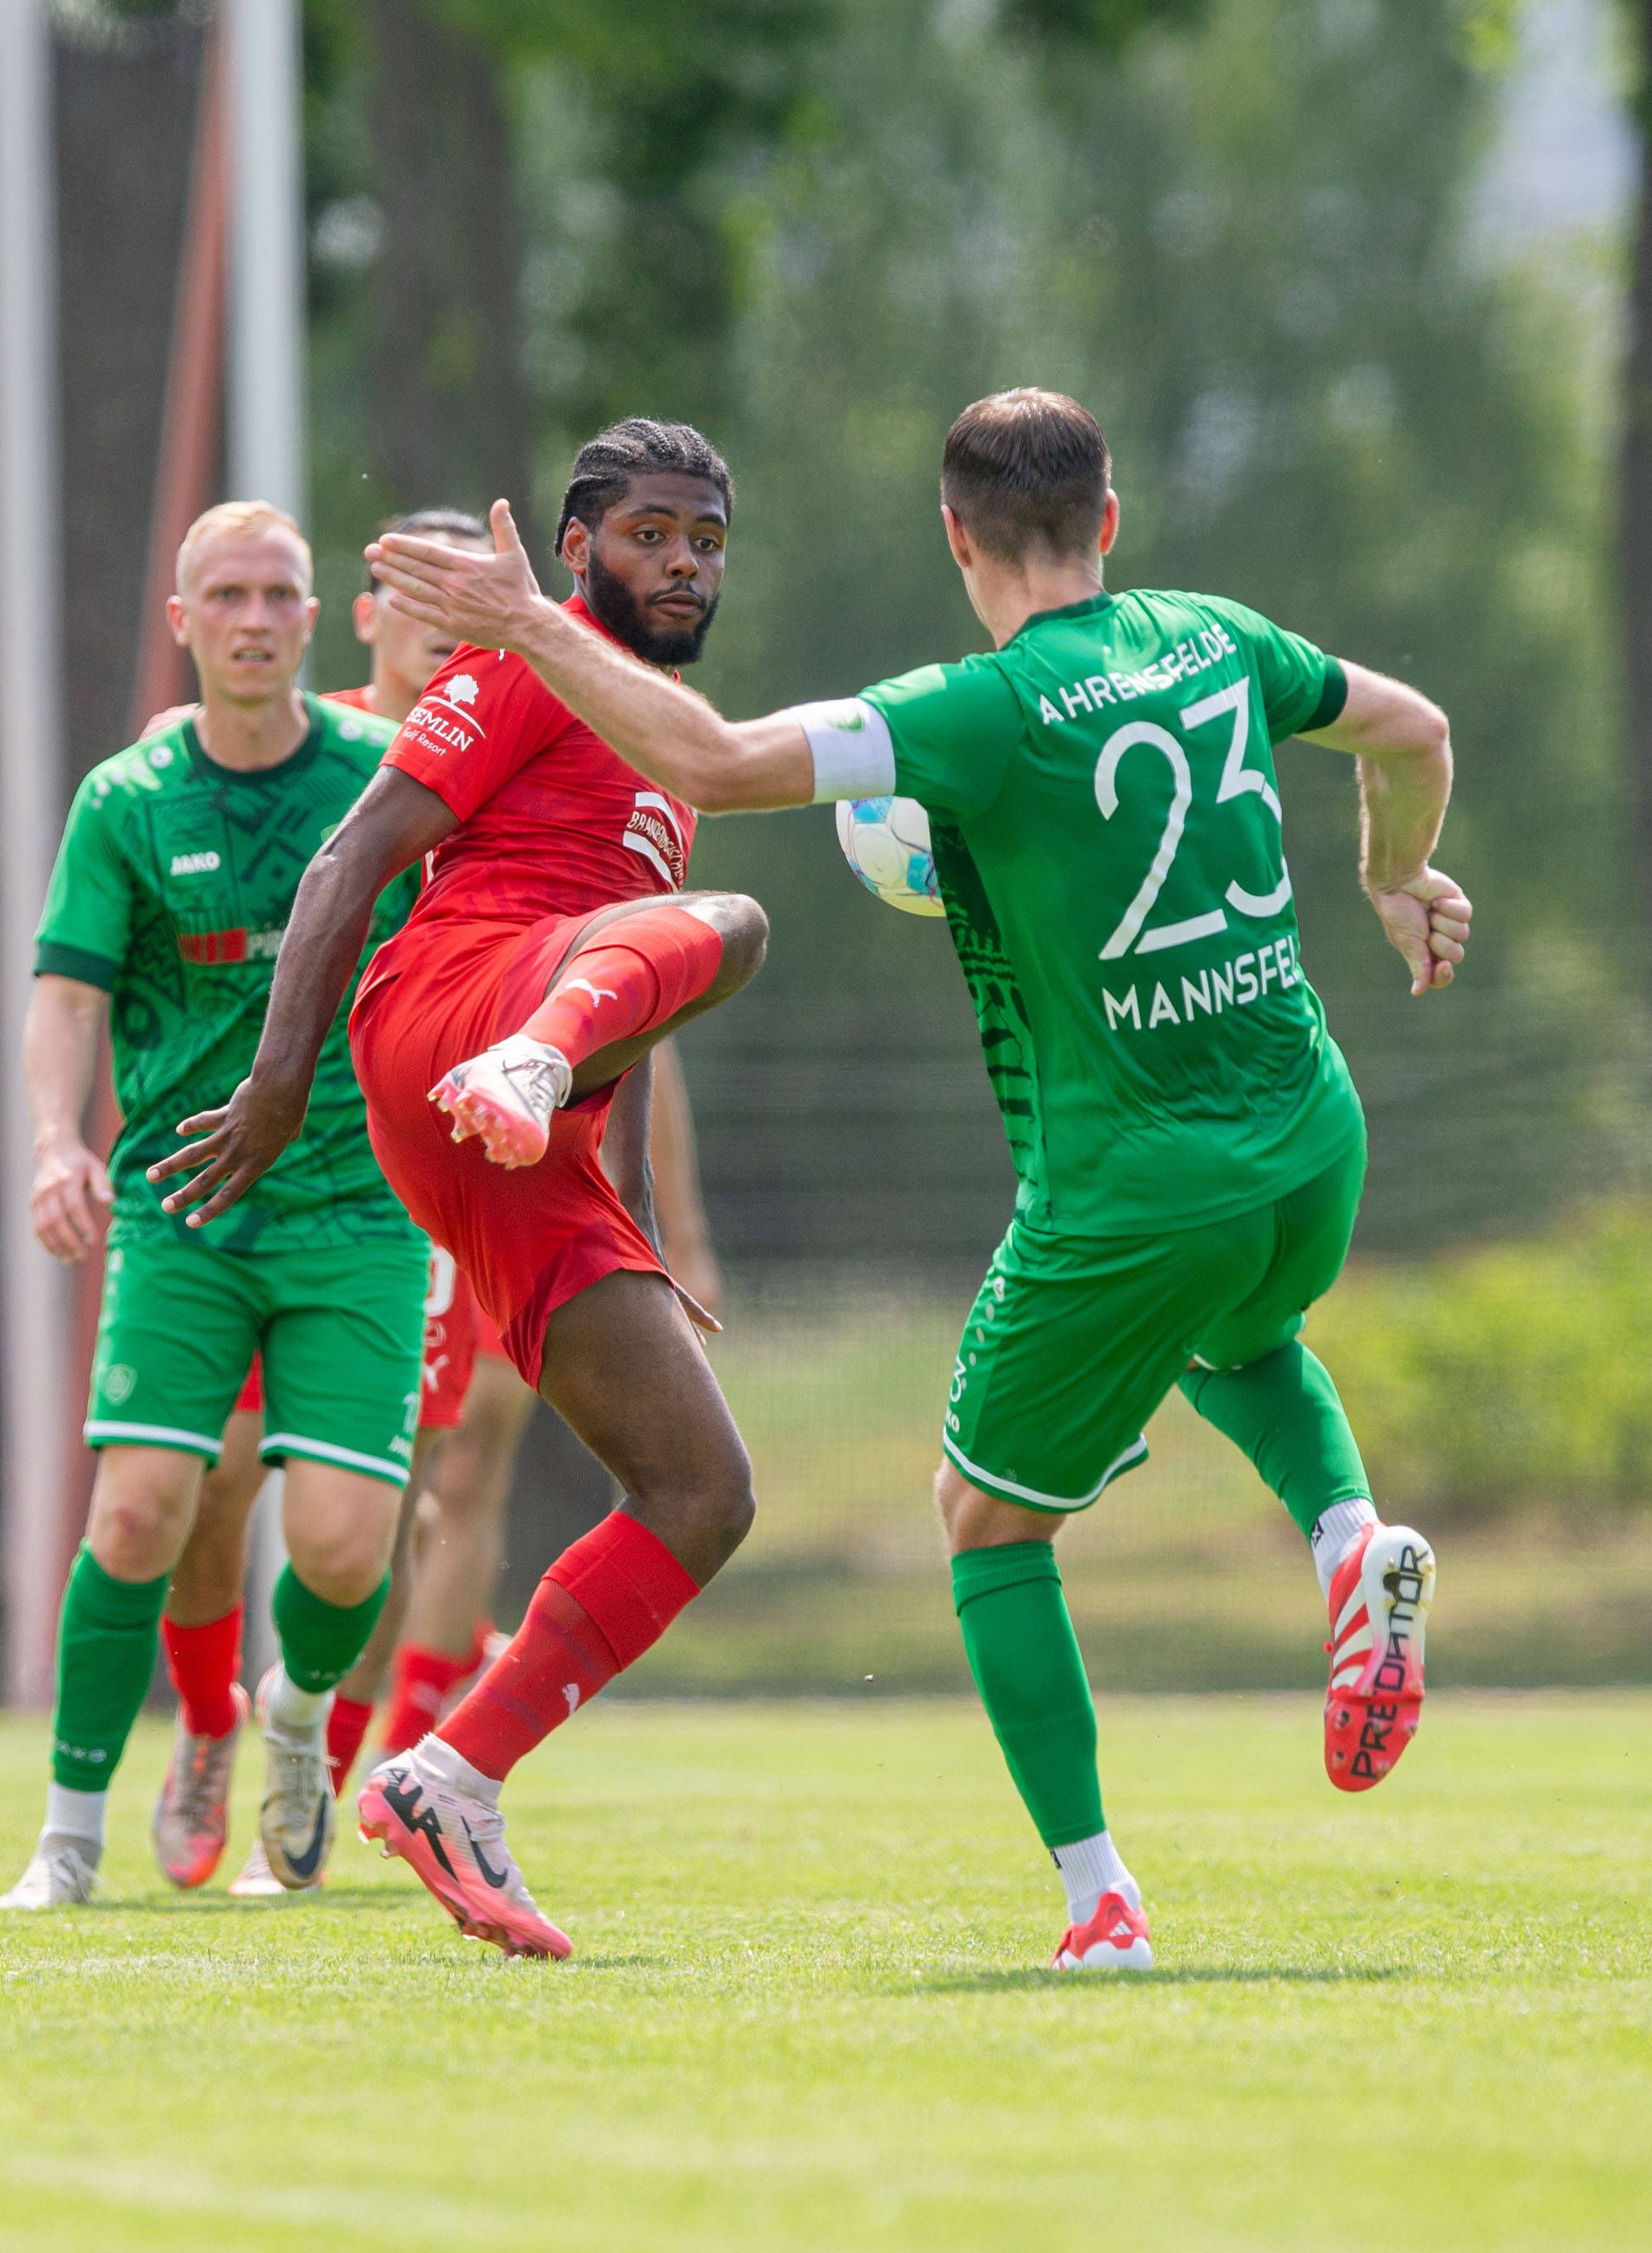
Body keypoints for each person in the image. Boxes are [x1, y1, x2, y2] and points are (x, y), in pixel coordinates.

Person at [363, 388, 1467, 1973]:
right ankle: (1347, 1537)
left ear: (955, 537)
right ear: (1108, 518)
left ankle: (1099, 1902)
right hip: (1310, 1145)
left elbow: (713, 761)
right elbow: (1414, 730)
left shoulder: (975, 710)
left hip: (1132, 1194)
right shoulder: (1216, 632)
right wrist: (1395, 873)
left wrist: (532, 621)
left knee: (988, 1527)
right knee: (1243, 1338)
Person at [158, 422, 769, 1960]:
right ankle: (204, 1734)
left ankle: (449, 1777)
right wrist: (278, 1082)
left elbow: (636, 995)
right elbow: (345, 862)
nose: (680, 564)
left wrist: (635, 1212)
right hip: (451, 1015)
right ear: (574, 551)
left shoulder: (669, 744)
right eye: (646, 534)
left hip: (532, 1121)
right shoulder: (527, 662)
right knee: (737, 923)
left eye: (702, 540)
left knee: (702, 1493)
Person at [0, 501, 430, 1911]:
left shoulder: (386, 779)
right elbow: (66, 993)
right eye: (227, 596)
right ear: (182, 622)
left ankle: (292, 1722)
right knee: (139, 1515)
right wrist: (54, 1145)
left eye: (278, 594)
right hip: (178, 1214)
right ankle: (68, 1843)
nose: (254, 619)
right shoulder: (124, 800)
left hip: (359, 1212)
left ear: (314, 618)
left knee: (343, 1551)